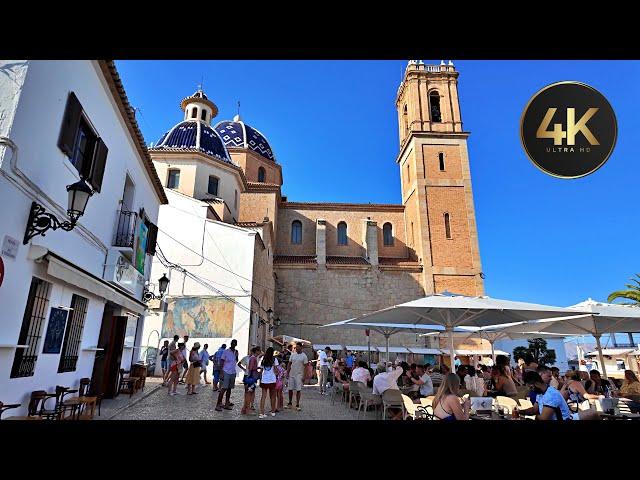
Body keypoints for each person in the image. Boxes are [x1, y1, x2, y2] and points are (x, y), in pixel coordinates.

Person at [516, 371, 599, 420]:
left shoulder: (551, 395)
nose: (530, 390)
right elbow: (534, 410)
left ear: (536, 383)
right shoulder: (540, 393)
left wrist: (526, 417)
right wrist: (520, 411)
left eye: (531, 387)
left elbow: (543, 418)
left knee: (593, 413)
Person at [215, 339, 238, 412]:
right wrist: (221, 372)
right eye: (233, 343)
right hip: (226, 371)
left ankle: (227, 403)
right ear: (231, 344)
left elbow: (236, 360)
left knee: (229, 389)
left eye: (235, 343)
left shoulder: (236, 352)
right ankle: (218, 404)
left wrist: (236, 355)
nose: (233, 344)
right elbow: (221, 362)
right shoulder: (226, 352)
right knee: (223, 388)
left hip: (232, 372)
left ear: (236, 344)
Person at [286, 342, 309, 411]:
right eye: (295, 347)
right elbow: (289, 364)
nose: (296, 349)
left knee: (298, 390)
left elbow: (306, 367)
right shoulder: (293, 355)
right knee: (290, 389)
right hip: (291, 374)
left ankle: (297, 404)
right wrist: (287, 372)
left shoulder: (304, 356)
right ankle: (290, 402)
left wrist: (304, 376)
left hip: (299, 375)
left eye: (298, 347)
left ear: (301, 348)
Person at [258, 347, 279, 418]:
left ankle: (261, 413)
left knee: (263, 396)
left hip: (264, 380)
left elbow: (260, 371)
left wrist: (260, 380)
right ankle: (273, 411)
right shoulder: (274, 359)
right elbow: (276, 371)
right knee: (273, 396)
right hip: (272, 380)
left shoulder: (263, 359)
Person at [241, 346, 261, 415]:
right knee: (249, 393)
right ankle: (248, 410)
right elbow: (251, 368)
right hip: (251, 378)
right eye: (259, 351)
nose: (260, 352)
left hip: (250, 377)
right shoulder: (253, 358)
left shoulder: (252, 358)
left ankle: (244, 409)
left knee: (247, 393)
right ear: (257, 351)